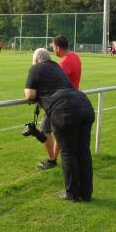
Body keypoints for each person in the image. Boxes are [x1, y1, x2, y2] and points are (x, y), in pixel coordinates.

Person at [24, 48, 95, 202]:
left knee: (68, 153)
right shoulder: (57, 67)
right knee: (83, 152)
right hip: (84, 104)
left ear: (36, 60)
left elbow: (29, 95)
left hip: (65, 110)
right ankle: (86, 193)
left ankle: (72, 194)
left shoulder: (35, 68)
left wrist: (38, 97)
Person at [36, 35, 82, 171]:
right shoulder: (75, 56)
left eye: (52, 47)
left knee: (45, 130)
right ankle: (54, 159)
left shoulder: (64, 63)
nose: (52, 50)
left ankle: (52, 160)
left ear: (57, 47)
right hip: (72, 99)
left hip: (60, 102)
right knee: (59, 132)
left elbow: (53, 83)